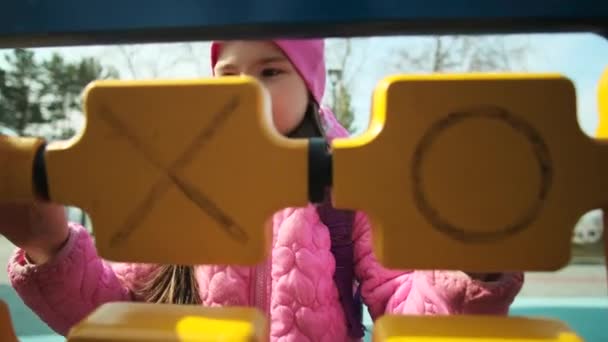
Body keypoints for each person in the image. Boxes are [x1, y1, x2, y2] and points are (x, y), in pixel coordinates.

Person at [3, 39, 524, 341]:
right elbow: (116, 308)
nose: (245, 90)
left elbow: (408, 315)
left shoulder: (351, 188)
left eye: (271, 71)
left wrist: (467, 268)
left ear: (311, 91)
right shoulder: (176, 184)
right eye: (227, 74)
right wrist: (51, 248)